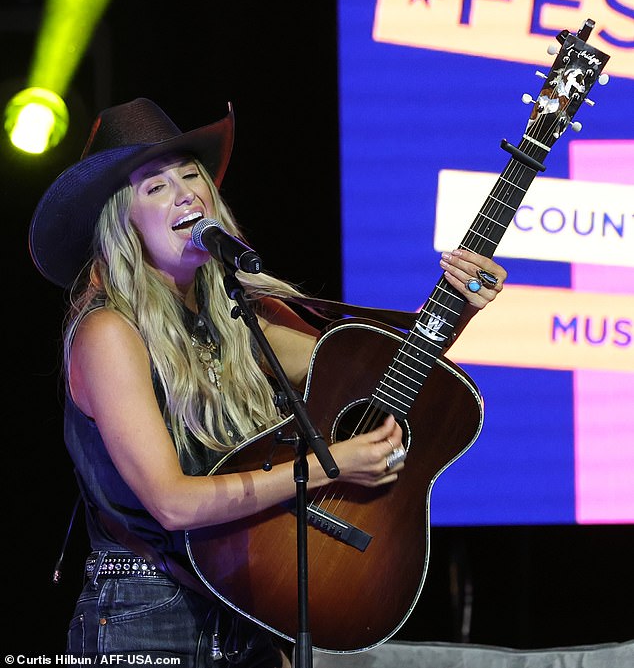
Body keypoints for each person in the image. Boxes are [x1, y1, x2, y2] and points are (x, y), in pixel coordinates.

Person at [29, 98, 507, 667]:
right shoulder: (107, 331)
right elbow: (173, 503)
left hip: (247, 608)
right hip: (145, 616)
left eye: (190, 176)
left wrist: (460, 306)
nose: (185, 193)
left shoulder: (236, 318)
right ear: (120, 222)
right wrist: (329, 466)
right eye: (154, 187)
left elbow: (378, 375)